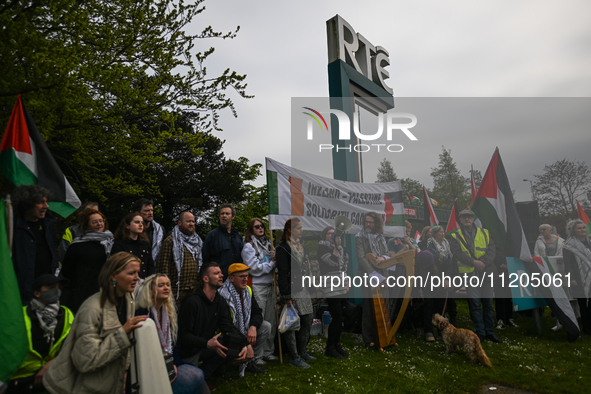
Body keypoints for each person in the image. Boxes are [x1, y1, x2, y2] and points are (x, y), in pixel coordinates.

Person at [43, 252, 148, 394]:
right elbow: (85, 361)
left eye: (138, 272)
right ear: (113, 276)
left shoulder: (128, 299)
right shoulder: (92, 309)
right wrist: (122, 334)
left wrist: (125, 371)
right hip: (80, 388)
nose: (137, 278)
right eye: (131, 273)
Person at [178, 262, 252, 387]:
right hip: (189, 352)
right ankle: (196, 376)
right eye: (216, 273)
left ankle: (205, 375)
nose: (221, 275)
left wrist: (245, 344)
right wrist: (206, 344)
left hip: (209, 346)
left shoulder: (219, 300)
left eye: (221, 272)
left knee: (232, 343)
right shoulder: (192, 303)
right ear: (205, 279)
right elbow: (184, 337)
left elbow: (228, 326)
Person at [136, 274, 206, 394]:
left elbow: (176, 343)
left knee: (200, 380)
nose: (166, 288)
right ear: (150, 291)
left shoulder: (170, 311)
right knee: (194, 378)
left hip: (170, 361)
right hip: (149, 367)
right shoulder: (142, 313)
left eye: (168, 285)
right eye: (160, 285)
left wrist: (173, 364)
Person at [8, 275, 73, 394]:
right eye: (51, 287)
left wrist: (51, 365)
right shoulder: (18, 316)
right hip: (20, 380)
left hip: (51, 378)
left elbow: (73, 346)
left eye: (58, 287)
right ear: (37, 293)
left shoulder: (66, 314)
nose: (57, 291)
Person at [450, 209, 502, 343]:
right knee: (475, 304)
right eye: (464, 217)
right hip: (470, 274)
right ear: (460, 220)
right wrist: (473, 262)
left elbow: (491, 250)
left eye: (469, 217)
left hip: (486, 272)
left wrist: (483, 263)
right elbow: (457, 253)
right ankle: (480, 332)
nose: (467, 219)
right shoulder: (455, 236)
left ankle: (490, 332)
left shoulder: (485, 232)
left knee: (488, 304)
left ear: (473, 219)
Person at [218, 263, 271, 375]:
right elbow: (226, 325)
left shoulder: (247, 291)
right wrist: (245, 342)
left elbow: (257, 312)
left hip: (243, 331)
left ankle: (249, 361)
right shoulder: (222, 294)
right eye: (241, 276)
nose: (245, 279)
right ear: (231, 278)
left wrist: (253, 327)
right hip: (228, 334)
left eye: (246, 276)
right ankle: (227, 363)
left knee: (266, 326)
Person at [276, 218, 315, 368]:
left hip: (303, 287)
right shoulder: (283, 249)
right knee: (291, 322)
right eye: (299, 228)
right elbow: (283, 273)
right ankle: (294, 357)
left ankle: (302, 351)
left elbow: (307, 268)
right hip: (291, 290)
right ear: (290, 230)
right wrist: (286, 295)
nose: (302, 230)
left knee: (307, 319)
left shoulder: (301, 246)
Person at [11, 185, 59, 305]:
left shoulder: (48, 223)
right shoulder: (12, 226)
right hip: (21, 291)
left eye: (46, 202)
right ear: (26, 203)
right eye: (41, 202)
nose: (46, 206)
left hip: (46, 289)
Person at [241, 218, 278, 364]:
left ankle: (268, 351)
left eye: (262, 226)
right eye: (257, 227)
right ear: (251, 229)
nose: (260, 228)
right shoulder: (249, 247)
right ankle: (257, 354)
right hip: (257, 286)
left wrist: (274, 258)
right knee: (260, 321)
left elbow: (271, 264)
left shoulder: (269, 245)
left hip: (270, 285)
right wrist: (271, 264)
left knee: (271, 320)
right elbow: (254, 268)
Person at [61, 209, 114, 313]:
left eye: (101, 220)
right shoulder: (77, 245)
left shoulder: (111, 242)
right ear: (86, 225)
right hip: (82, 293)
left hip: (106, 291)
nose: (99, 224)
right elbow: (67, 271)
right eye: (94, 222)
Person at [355, 212, 390, 349]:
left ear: (376, 224)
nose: (368, 224)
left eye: (371, 222)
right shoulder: (360, 237)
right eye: (366, 222)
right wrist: (373, 274)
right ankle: (368, 339)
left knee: (383, 306)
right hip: (368, 275)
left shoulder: (381, 237)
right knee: (369, 308)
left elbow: (387, 254)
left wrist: (383, 258)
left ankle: (382, 336)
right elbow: (361, 257)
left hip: (383, 274)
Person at [317, 226, 349, 358]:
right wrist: (336, 247)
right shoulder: (322, 248)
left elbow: (344, 266)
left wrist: (347, 282)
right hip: (331, 286)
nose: (333, 235)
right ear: (325, 236)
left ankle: (337, 344)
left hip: (341, 285)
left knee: (340, 316)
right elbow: (332, 261)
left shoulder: (341, 249)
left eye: (335, 234)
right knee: (337, 316)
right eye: (330, 234)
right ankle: (330, 347)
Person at [158, 211, 203, 307]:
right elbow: (163, 266)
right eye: (188, 221)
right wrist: (166, 287)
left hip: (193, 289)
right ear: (180, 223)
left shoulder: (198, 242)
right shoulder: (170, 241)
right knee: (173, 319)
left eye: (193, 221)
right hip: (176, 290)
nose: (191, 224)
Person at [426, 226, 458, 332]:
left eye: (443, 232)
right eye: (440, 232)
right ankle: (433, 326)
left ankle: (447, 323)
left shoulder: (447, 244)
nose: (443, 234)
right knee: (434, 302)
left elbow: (449, 262)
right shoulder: (430, 246)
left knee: (447, 299)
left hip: (447, 275)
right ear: (434, 234)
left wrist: (448, 278)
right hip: (434, 276)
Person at [563, 219, 591, 335]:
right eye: (579, 228)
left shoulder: (589, 242)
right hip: (579, 278)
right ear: (573, 231)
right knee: (583, 305)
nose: (582, 230)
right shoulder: (568, 246)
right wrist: (572, 279)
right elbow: (568, 263)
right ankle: (587, 329)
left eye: (583, 228)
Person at [202, 203, 244, 278]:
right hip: (218, 279)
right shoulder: (212, 235)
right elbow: (205, 258)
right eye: (222, 214)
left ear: (233, 217)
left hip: (235, 279)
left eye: (227, 214)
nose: (224, 216)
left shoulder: (238, 236)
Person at [112, 212, 156, 279]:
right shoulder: (119, 244)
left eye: (142, 223)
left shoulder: (145, 244)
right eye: (137, 222)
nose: (141, 225)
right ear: (127, 226)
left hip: (144, 282)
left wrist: (150, 281)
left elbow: (150, 266)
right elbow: (116, 266)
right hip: (126, 282)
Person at [134, 198, 164, 264]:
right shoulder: (132, 230)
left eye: (151, 210)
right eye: (147, 211)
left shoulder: (159, 230)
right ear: (137, 213)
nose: (150, 213)